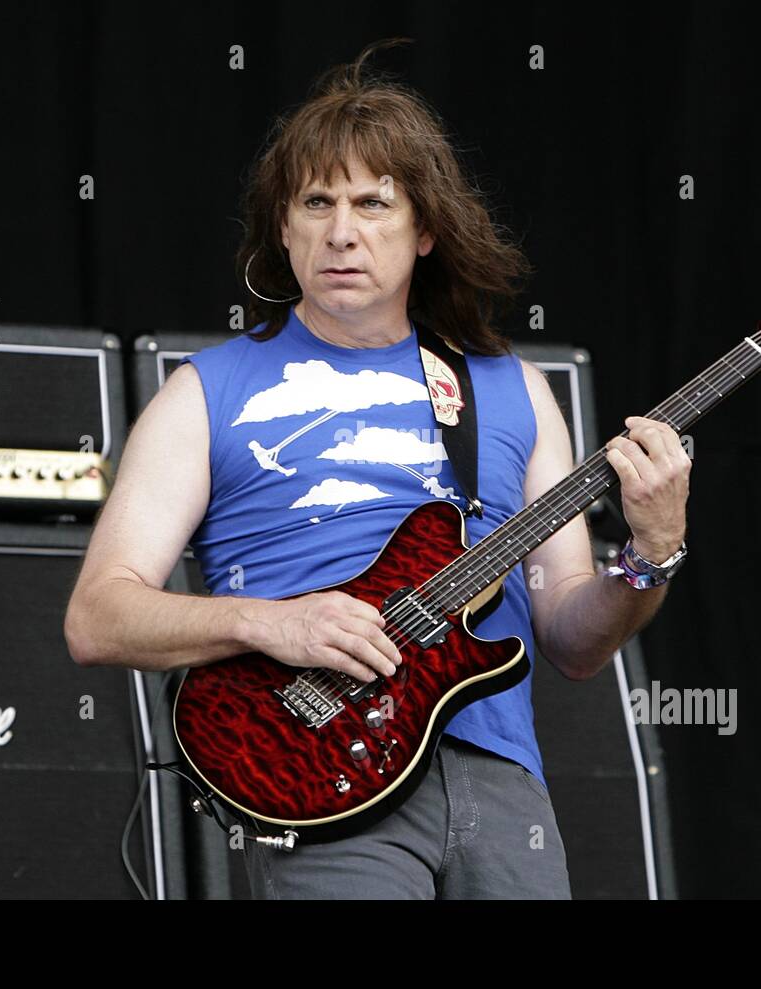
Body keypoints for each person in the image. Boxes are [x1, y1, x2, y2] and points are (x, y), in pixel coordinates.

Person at [63, 40, 691, 900]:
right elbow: (97, 617)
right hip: (318, 769)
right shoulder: (203, 393)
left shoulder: (510, 391)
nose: (342, 231)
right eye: (315, 203)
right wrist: (271, 623)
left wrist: (652, 550)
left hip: (499, 780)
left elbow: (575, 639)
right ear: (283, 230)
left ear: (425, 229)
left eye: (372, 203)